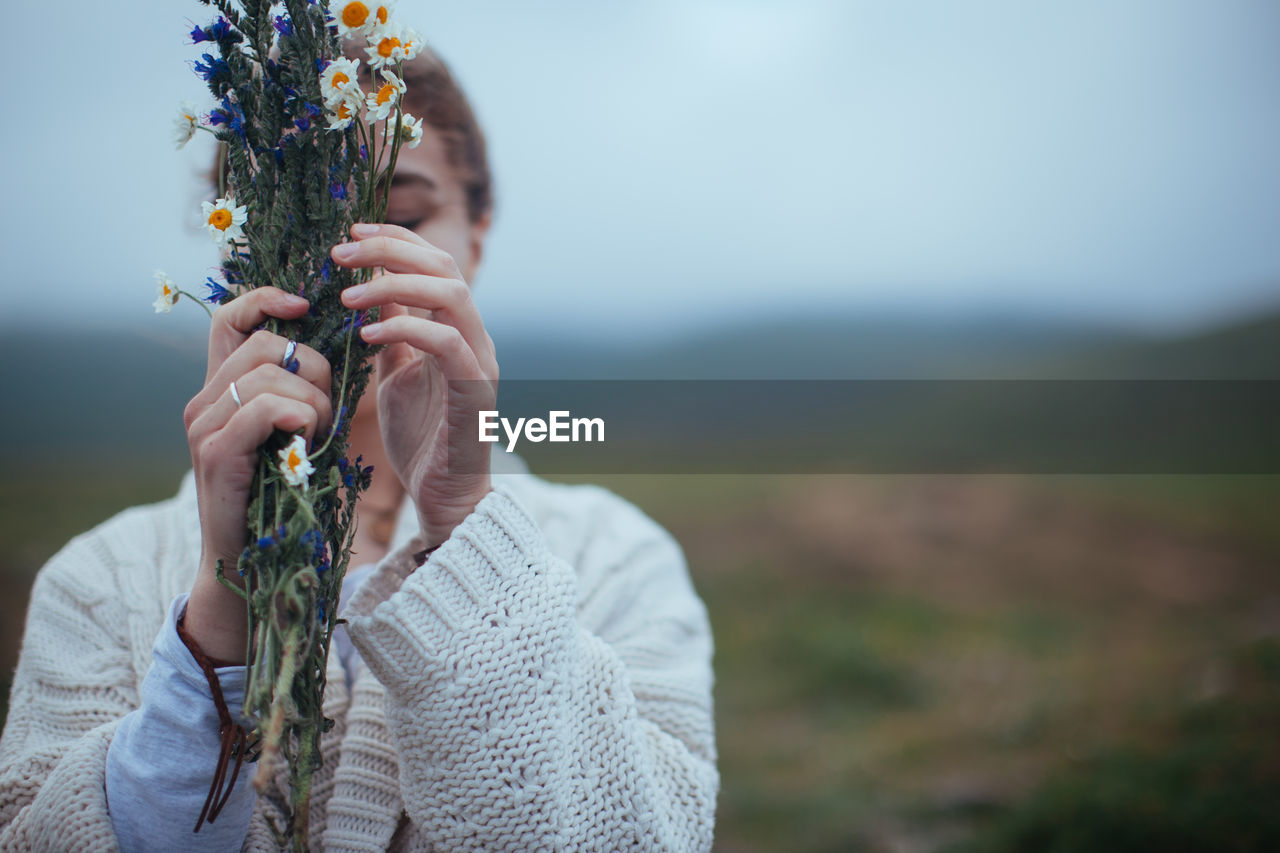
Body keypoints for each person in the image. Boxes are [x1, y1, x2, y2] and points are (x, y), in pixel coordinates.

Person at [0, 47, 717, 852]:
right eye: (302, 222)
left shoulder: (616, 559)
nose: (349, 271)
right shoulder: (97, 582)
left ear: (476, 236)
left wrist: (462, 530)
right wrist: (223, 605)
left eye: (402, 221)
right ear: (236, 249)